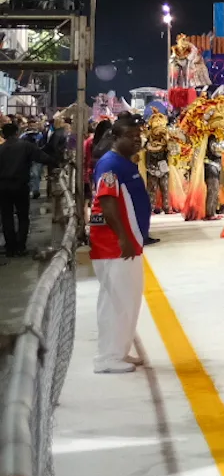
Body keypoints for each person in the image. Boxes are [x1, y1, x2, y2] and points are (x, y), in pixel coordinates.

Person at [88, 116, 149, 372]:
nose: (137, 139)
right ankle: (107, 358)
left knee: (128, 300)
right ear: (116, 137)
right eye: (131, 136)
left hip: (128, 245)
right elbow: (108, 202)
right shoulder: (111, 165)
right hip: (115, 247)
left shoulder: (124, 163)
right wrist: (123, 237)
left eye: (139, 135)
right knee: (116, 301)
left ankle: (119, 351)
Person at [0, 122, 39, 258]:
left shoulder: (1, 149)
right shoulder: (26, 146)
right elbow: (41, 156)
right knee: (23, 216)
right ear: (17, 132)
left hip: (3, 188)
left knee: (7, 217)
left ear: (3, 135)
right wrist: (56, 161)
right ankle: (20, 246)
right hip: (21, 186)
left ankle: (10, 247)